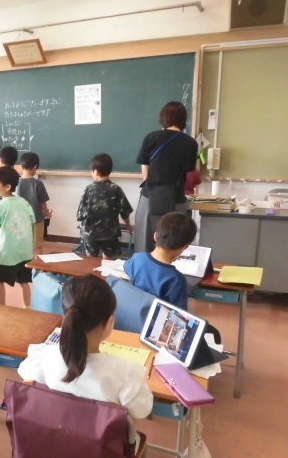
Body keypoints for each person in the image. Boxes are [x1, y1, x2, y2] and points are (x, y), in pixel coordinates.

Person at [17, 275, 153, 450]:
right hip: (101, 451)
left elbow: (27, 377)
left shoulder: (45, 356)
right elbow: (142, 410)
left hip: (55, 443)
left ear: (65, 315)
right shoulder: (125, 373)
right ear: (109, 322)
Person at [134, 101, 198, 253]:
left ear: (163, 118)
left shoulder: (151, 137)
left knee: (145, 240)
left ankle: (145, 266)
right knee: (175, 238)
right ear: (183, 120)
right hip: (177, 198)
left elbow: (144, 164)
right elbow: (189, 169)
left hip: (151, 196)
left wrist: (148, 183)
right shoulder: (191, 143)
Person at [124, 212, 196, 309]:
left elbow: (127, 269)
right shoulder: (176, 279)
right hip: (156, 317)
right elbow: (178, 312)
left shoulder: (137, 258)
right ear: (184, 247)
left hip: (133, 311)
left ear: (155, 236)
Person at [0, 166, 34, 307]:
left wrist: (0, 227)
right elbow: (32, 221)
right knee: (24, 282)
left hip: (8, 253)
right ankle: (27, 308)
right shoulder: (24, 202)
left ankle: (2, 307)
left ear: (7, 187)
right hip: (25, 251)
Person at [76, 153, 133, 260]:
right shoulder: (116, 189)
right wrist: (129, 226)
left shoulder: (88, 189)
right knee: (108, 261)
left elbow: (80, 214)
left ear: (95, 171)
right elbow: (125, 212)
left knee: (90, 260)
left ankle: (91, 269)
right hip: (109, 233)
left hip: (90, 233)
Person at [17, 152, 51, 254]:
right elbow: (43, 203)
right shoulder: (38, 183)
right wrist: (47, 214)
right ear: (35, 166)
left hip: (20, 219)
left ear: (21, 166)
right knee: (38, 246)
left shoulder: (16, 183)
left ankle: (24, 263)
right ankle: (37, 263)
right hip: (37, 219)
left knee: (22, 245)